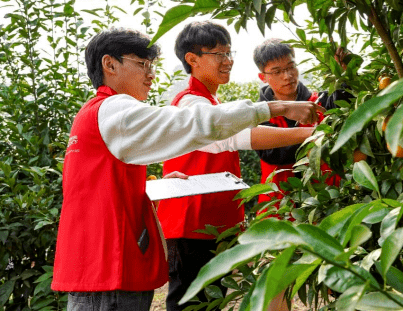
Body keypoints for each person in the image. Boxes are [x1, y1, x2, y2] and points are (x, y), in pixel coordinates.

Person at [51, 27, 323, 311]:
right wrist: (279, 109)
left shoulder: (99, 114)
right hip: (114, 265)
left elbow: (99, 186)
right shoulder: (115, 109)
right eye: (142, 64)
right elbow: (207, 125)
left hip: (109, 264)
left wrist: (154, 187)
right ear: (110, 64)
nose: (151, 74)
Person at [156, 21, 320, 311]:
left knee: (210, 302)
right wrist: (312, 133)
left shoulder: (211, 100)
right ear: (192, 59)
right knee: (191, 302)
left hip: (213, 223)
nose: (228, 61)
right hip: (191, 223)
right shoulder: (190, 103)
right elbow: (237, 138)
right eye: (219, 54)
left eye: (229, 52)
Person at [253, 39, 352, 210]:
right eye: (277, 71)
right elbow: (274, 153)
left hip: (327, 204)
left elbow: (344, 107)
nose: (287, 76)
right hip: (280, 208)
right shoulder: (259, 115)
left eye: (291, 67)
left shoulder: (319, 102)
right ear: (263, 77)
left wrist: (343, 76)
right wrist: (315, 135)